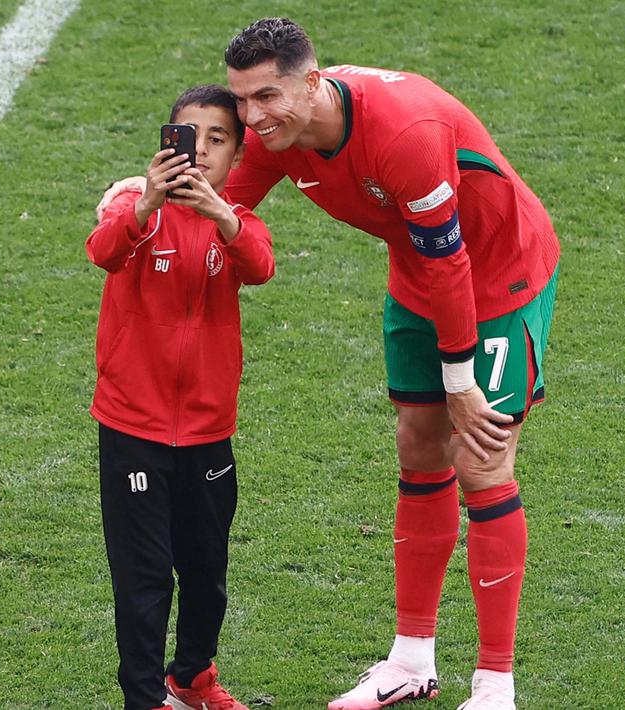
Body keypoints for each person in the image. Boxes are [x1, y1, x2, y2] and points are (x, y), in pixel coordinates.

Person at [98, 17, 559, 710]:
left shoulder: (403, 133)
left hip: (495, 275)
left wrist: (460, 382)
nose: (250, 118)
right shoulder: (280, 138)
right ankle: (411, 661)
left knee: (481, 458)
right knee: (417, 447)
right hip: (417, 276)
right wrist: (140, 199)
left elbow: (452, 258)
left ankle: (495, 688)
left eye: (265, 98)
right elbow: (223, 211)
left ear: (313, 85)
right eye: (240, 100)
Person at [86, 83, 275, 710]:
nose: (203, 152)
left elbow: (260, 266)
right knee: (143, 578)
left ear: (237, 156)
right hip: (133, 427)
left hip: (207, 429)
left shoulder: (236, 224)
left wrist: (222, 214)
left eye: (218, 140)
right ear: (168, 144)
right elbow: (103, 251)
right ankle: (143, 698)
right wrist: (143, 204)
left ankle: (192, 678)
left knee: (205, 572)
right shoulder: (134, 212)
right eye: (190, 138)